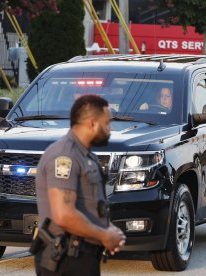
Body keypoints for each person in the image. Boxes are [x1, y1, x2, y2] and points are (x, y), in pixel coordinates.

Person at [33, 94, 126, 276]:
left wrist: (108, 228)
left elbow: (89, 205)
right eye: (107, 123)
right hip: (66, 260)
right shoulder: (65, 156)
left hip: (82, 257)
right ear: (92, 123)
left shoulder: (86, 156)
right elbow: (64, 215)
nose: (110, 129)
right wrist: (104, 236)